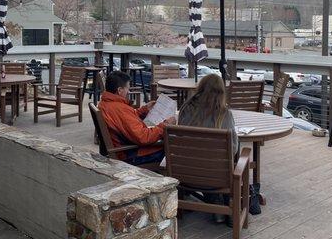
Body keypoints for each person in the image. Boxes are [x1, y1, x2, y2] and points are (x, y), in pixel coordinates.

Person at [177, 73, 238, 224]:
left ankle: (216, 203)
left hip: (186, 174)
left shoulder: (185, 109)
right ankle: (225, 206)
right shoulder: (225, 115)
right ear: (221, 92)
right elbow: (233, 149)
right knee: (238, 151)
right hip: (216, 178)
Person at [99, 70, 175, 166]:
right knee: (173, 145)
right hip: (131, 155)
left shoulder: (106, 103)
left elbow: (125, 121)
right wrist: (165, 125)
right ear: (119, 90)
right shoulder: (120, 109)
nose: (128, 91)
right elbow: (143, 137)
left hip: (124, 150)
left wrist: (144, 110)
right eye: (127, 88)